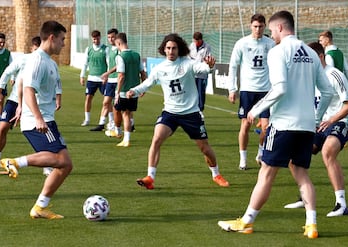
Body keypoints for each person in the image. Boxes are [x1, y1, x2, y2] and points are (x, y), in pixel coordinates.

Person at [217, 10, 333, 238]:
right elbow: (327, 91)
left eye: (271, 30)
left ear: (280, 28)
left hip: (283, 124)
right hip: (307, 125)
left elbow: (280, 87)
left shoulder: (278, 51)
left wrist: (256, 110)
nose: (271, 35)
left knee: (266, 173)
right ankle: (311, 225)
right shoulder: (311, 53)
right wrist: (317, 118)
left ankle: (247, 221)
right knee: (302, 173)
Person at [126, 33, 229, 190]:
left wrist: (210, 66)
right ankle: (150, 177)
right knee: (156, 139)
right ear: (164, 49)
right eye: (168, 48)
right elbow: (148, 82)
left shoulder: (188, 63)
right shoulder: (160, 68)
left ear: (179, 49)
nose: (171, 51)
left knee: (204, 148)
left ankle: (216, 174)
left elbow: (202, 69)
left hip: (191, 114)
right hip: (170, 113)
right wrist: (134, 90)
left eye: (174, 48)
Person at [0, 20, 72, 219]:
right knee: (61, 161)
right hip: (38, 121)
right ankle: (13, 161)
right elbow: (28, 88)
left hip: (46, 119)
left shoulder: (48, 61)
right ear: (51, 37)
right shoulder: (38, 60)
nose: (63, 44)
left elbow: (24, 81)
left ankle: (40, 207)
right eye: (62, 39)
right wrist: (38, 118)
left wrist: (23, 106)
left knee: (65, 164)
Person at [283, 42, 348, 217]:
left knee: (328, 152)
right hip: (317, 125)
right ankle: (304, 196)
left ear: (320, 57)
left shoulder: (334, 74)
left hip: (340, 122)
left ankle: (341, 204)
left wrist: (331, 119)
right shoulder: (308, 77)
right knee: (294, 159)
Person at [0, 36, 44, 174]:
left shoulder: (44, 62)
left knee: (39, 132)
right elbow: (7, 72)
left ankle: (46, 165)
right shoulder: (24, 59)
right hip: (14, 100)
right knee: (2, 128)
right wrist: (0, 90)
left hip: (33, 103)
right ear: (32, 48)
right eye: (35, 49)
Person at [227, 14, 275, 170]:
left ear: (265, 27)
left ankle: (260, 153)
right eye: (255, 26)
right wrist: (232, 89)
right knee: (246, 125)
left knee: (266, 127)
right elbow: (233, 66)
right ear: (250, 26)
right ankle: (243, 159)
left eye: (261, 26)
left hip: (266, 91)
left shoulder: (271, 44)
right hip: (248, 90)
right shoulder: (242, 43)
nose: (258, 29)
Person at [104, 32, 146, 147]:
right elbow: (143, 73)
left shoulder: (120, 56)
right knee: (127, 113)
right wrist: (143, 88)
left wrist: (117, 92)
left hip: (124, 91)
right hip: (135, 90)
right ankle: (123, 136)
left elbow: (121, 75)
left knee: (121, 112)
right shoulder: (136, 55)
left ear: (118, 43)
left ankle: (120, 133)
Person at [79, 30, 109, 131]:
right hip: (91, 78)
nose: (95, 40)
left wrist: (107, 76)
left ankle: (111, 121)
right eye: (94, 39)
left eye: (97, 38)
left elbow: (109, 64)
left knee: (107, 100)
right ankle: (87, 119)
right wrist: (82, 76)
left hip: (102, 79)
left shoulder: (105, 49)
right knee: (88, 98)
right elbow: (85, 63)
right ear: (92, 39)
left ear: (100, 37)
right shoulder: (89, 49)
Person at [189, 32, 211, 112]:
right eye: (194, 41)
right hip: (193, 74)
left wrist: (201, 65)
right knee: (192, 92)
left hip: (202, 74)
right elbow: (189, 57)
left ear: (201, 40)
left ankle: (200, 110)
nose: (195, 43)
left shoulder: (207, 47)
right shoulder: (191, 46)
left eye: (197, 41)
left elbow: (207, 59)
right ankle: (192, 109)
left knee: (201, 93)